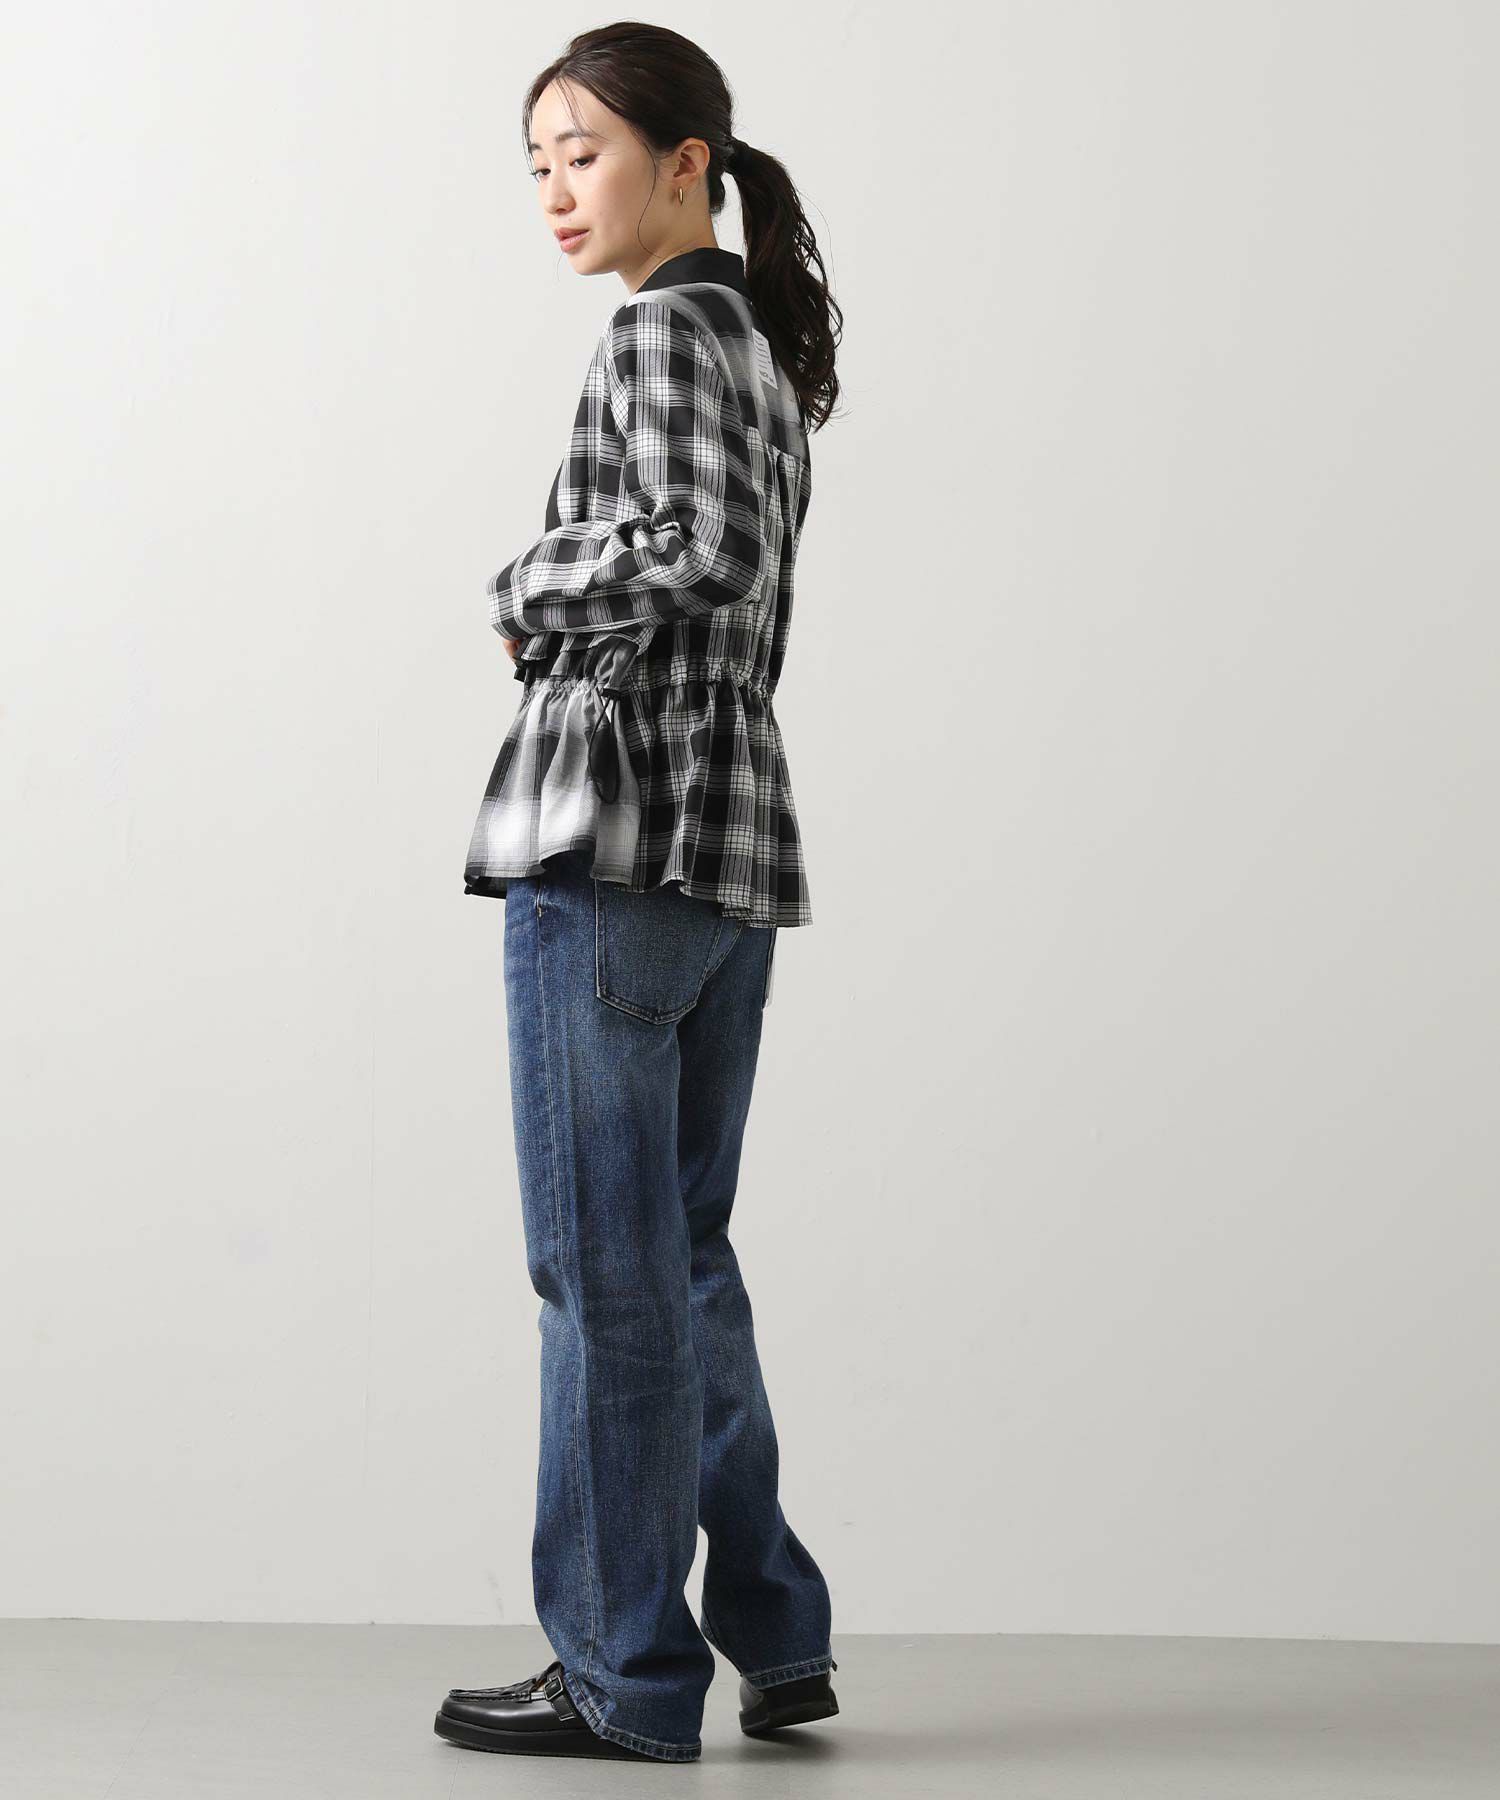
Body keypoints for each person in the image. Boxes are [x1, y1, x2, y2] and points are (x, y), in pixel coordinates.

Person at [435, 22, 843, 1766]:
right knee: (677, 1256)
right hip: (721, 841)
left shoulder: (662, 331)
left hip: (615, 843)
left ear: (689, 163)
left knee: (599, 1270)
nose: (555, 188)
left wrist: (525, 581)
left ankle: (621, 1671)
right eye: (537, 161)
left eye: (584, 152)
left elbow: (697, 546)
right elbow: (731, 566)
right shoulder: (751, 342)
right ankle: (775, 1630)